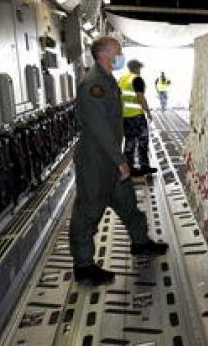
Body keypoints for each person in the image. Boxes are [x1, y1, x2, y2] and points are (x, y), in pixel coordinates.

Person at [70, 37, 167, 285]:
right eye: (118, 51)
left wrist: (118, 158)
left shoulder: (107, 79)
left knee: (127, 203)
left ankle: (140, 243)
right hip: (96, 160)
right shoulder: (94, 85)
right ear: (105, 54)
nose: (121, 55)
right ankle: (84, 266)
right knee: (89, 211)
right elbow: (99, 127)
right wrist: (120, 160)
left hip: (111, 157)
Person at [118, 60, 157, 176]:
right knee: (142, 140)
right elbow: (140, 97)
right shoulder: (137, 79)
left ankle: (129, 167)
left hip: (124, 116)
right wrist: (148, 111)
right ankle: (144, 166)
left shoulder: (122, 79)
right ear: (137, 68)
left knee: (129, 141)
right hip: (136, 116)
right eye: (140, 68)